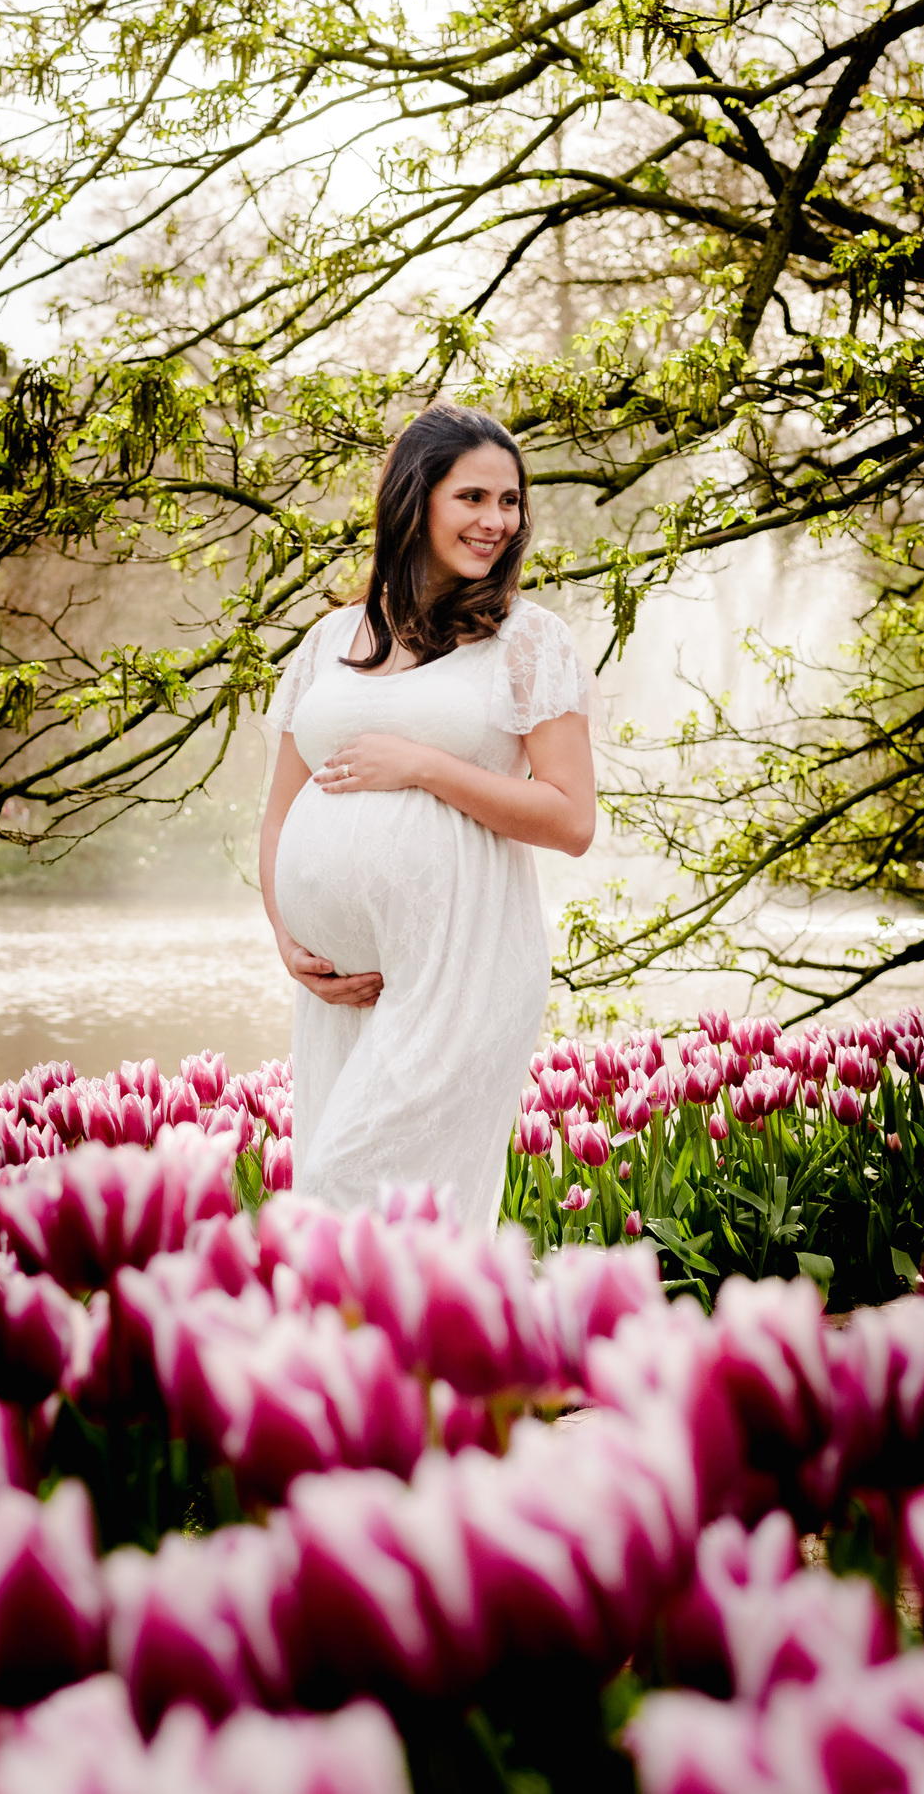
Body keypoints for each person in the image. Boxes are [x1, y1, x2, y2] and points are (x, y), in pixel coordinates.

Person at [259, 402, 596, 1230]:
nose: (496, 522)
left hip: (467, 963)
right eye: (472, 497)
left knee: (350, 1189)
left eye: (510, 501)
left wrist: (425, 767)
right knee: (353, 1212)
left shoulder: (527, 639)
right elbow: (278, 815)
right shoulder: (332, 640)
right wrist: (288, 940)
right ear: (415, 500)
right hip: (346, 988)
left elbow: (571, 818)